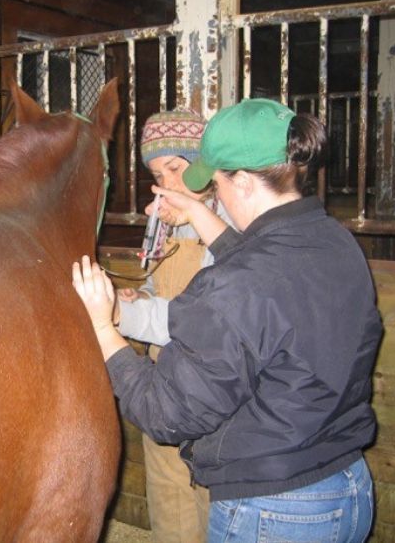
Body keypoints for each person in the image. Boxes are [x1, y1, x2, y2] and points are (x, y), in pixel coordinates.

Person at [73, 98, 381, 543]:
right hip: (346, 485)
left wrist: (104, 327)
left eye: (215, 183)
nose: (211, 193)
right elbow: (256, 271)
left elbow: (165, 414)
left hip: (276, 510)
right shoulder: (333, 240)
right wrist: (198, 213)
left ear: (241, 181)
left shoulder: (238, 284)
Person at [115, 110, 233, 543]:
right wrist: (137, 299)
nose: (165, 183)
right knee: (170, 513)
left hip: (214, 403)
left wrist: (118, 317)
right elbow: (155, 292)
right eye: (155, 173)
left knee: (213, 510)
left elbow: (198, 324)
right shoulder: (162, 225)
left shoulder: (232, 227)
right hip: (163, 395)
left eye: (176, 168)